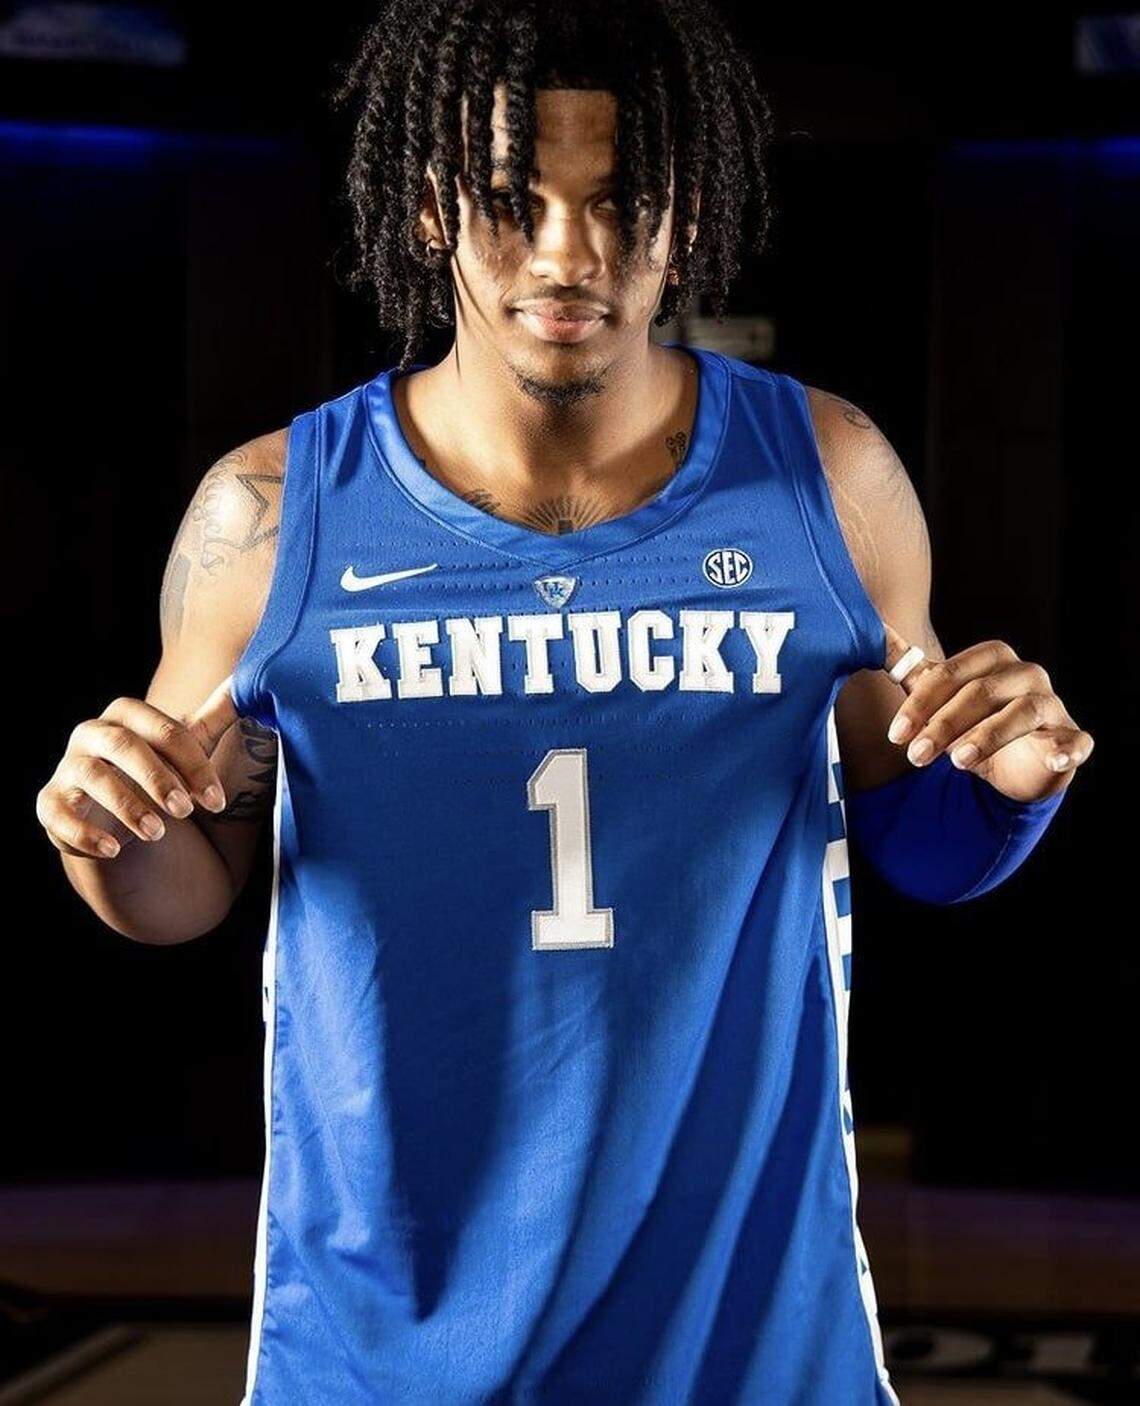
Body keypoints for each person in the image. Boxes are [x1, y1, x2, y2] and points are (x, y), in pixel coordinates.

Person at [35, 2, 1093, 1401]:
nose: (567, 255)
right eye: (508, 202)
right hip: (386, 1342)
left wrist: (1012, 782)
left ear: (690, 209)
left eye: (619, 202)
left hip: (746, 1342)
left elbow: (914, 836)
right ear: (427, 209)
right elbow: (187, 885)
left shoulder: (825, 474)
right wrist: (102, 829)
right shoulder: (275, 514)